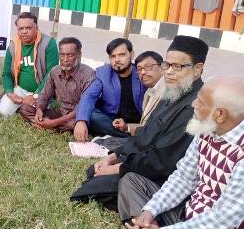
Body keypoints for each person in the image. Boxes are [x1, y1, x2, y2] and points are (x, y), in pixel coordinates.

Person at [119, 76, 244, 229]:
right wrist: (150, 211)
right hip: (189, 215)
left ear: (220, 114)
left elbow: (223, 217)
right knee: (131, 182)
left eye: (200, 101)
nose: (193, 104)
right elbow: (183, 177)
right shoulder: (207, 128)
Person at [73, 36, 209, 209]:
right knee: (93, 172)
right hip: (145, 161)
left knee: (93, 189)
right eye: (167, 65)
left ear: (197, 69)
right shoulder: (173, 91)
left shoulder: (196, 106)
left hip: (162, 177)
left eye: (177, 67)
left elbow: (163, 161)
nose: (168, 72)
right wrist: (114, 157)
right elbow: (145, 133)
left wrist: (119, 168)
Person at [74, 38, 146, 141]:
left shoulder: (141, 72)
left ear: (132, 54)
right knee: (91, 115)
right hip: (111, 121)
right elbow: (89, 96)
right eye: (113, 56)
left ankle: (132, 132)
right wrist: (81, 121)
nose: (117, 60)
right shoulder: (103, 73)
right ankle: (131, 136)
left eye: (121, 55)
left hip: (137, 121)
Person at [0, 12, 59, 118]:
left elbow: (52, 73)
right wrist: (10, 93)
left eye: (28, 28)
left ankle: (33, 105)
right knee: (2, 111)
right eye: (20, 29)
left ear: (36, 28)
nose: (24, 31)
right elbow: (6, 74)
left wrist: (35, 95)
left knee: (38, 115)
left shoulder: (48, 43)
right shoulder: (13, 45)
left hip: (42, 91)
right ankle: (21, 105)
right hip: (20, 90)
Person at [26, 37, 95, 132]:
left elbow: (83, 107)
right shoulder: (55, 71)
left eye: (70, 55)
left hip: (77, 116)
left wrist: (54, 122)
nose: (65, 59)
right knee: (25, 108)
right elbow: (44, 96)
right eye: (62, 55)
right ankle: (46, 124)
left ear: (79, 55)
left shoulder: (88, 74)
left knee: (73, 124)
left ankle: (45, 125)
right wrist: (39, 111)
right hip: (60, 113)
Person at [112, 50, 164, 136]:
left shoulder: (169, 92)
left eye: (148, 67)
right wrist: (126, 127)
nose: (142, 72)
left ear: (162, 67)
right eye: (139, 69)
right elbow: (145, 126)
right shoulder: (148, 92)